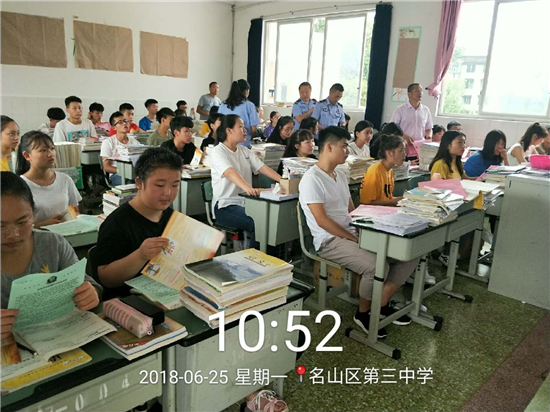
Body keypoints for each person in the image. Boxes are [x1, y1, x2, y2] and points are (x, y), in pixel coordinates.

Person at [299, 126, 418, 338]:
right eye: (344, 146)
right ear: (329, 147)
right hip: (329, 241)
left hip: (350, 232)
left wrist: (367, 228)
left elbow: (352, 211)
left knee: (407, 254)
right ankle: (363, 313)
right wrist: (353, 237)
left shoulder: (340, 176)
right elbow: (322, 221)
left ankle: (381, 303)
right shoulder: (312, 179)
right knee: (376, 265)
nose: (347, 151)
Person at [1, 172, 101, 335]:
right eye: (0, 226)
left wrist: (91, 293)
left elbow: (85, 282)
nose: (13, 234)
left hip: (59, 336)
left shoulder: (53, 244)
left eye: (22, 222)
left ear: (33, 214)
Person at [95, 148, 183, 295]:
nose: (168, 193)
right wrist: (140, 255)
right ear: (139, 183)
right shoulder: (116, 224)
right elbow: (106, 278)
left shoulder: (173, 218)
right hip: (129, 300)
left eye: (175, 185)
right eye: (159, 185)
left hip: (169, 294)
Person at [210, 115, 281, 248]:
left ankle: (266, 257)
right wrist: (248, 188)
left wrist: (283, 181)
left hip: (246, 203)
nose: (245, 130)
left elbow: (262, 167)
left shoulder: (244, 151)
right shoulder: (218, 151)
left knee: (272, 220)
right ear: (229, 130)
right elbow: (230, 172)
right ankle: (254, 258)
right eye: (241, 126)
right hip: (225, 206)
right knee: (258, 223)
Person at [16, 131, 81, 228]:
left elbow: (76, 212)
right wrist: (42, 225)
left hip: (67, 233)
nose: (50, 154)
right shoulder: (20, 186)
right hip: (37, 236)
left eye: (52, 148)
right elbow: (17, 226)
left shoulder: (65, 179)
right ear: (27, 156)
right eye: (43, 150)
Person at [390, 83, 433, 160]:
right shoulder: (400, 110)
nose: (420, 93)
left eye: (421, 91)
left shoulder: (425, 110)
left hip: (419, 148)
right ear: (409, 94)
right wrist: (403, 136)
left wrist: (428, 135)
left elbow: (428, 128)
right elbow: (392, 128)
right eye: (417, 91)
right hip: (404, 146)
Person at [360, 134, 405, 206]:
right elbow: (366, 203)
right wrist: (393, 202)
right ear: (389, 153)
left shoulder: (389, 170)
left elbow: (387, 198)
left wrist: (402, 200)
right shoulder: (375, 171)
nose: (405, 154)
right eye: (401, 151)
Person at [101, 112, 141, 186]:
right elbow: (106, 167)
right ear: (114, 127)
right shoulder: (108, 142)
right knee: (131, 183)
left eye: (125, 121)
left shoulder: (134, 141)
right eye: (120, 122)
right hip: (117, 174)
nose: (124, 124)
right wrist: (124, 172)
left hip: (134, 173)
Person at [218, 80, 259, 148]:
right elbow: (254, 129)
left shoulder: (223, 105)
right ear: (246, 91)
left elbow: (219, 125)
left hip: (226, 144)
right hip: (243, 145)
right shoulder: (249, 105)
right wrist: (249, 138)